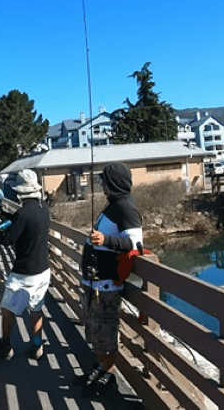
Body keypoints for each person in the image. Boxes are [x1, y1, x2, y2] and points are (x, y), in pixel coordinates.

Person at [75, 162, 144, 397]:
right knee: (97, 333)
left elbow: (135, 246)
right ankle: (99, 370)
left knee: (106, 335)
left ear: (113, 183)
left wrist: (105, 240)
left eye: (103, 181)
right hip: (95, 284)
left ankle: (108, 378)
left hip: (107, 286)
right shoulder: (113, 205)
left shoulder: (126, 207)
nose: (101, 186)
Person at [0, 169, 51, 362]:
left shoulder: (23, 214)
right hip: (43, 270)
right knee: (36, 308)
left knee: (8, 309)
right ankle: (36, 345)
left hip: (24, 273)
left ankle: (6, 345)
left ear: (20, 191)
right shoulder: (43, 208)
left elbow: (7, 239)